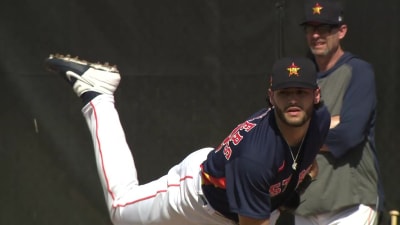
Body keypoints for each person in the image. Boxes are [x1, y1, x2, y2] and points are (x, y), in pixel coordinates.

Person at [44, 54, 330, 225]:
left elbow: (308, 162)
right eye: (285, 93)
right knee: (120, 209)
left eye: (301, 92)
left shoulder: (320, 120)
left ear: (316, 96)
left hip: (237, 204)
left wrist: (294, 184)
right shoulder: (255, 159)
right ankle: (98, 94)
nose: (293, 100)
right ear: (271, 97)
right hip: (196, 197)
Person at [293, 0, 385, 224]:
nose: (316, 35)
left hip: (351, 203)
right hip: (306, 205)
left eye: (324, 28)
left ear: (341, 31)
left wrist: (301, 132)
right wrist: (330, 122)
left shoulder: (358, 71)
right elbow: (280, 132)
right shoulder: (301, 79)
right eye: (311, 28)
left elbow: (348, 136)